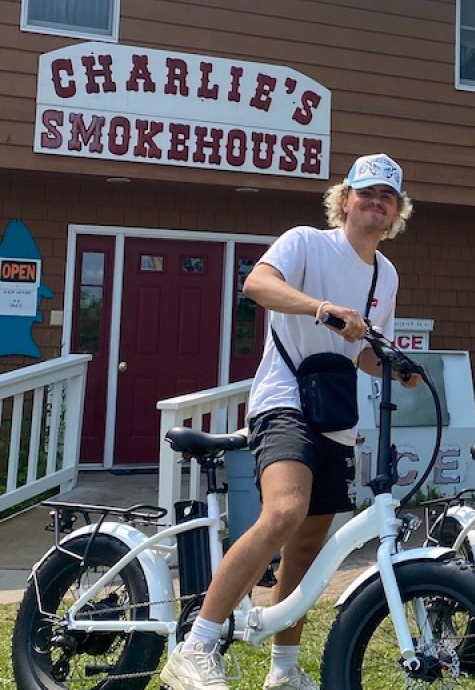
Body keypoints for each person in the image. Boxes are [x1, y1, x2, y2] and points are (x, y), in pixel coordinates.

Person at [160, 153, 416, 690]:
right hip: (284, 401)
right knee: (284, 512)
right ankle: (197, 645)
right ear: (345, 200)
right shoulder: (306, 241)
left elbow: (362, 349)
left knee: (309, 546)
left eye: (385, 198)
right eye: (365, 193)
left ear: (395, 214)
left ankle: (283, 670)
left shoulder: (385, 274)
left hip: (336, 413)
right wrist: (320, 307)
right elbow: (257, 284)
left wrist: (395, 364)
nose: (374, 203)